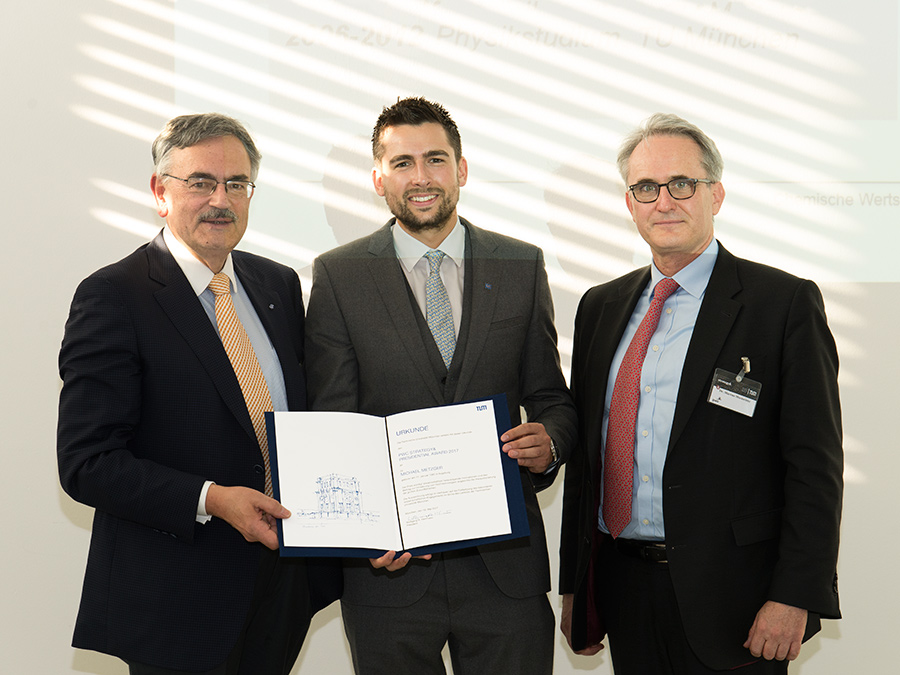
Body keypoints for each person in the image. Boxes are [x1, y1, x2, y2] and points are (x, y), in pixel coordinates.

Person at [559, 113, 843, 674]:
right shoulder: (600, 307)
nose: (664, 201)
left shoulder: (781, 304)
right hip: (623, 586)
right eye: (646, 188)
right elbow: (588, 464)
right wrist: (577, 586)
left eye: (681, 184)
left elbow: (814, 463)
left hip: (737, 600)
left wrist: (796, 594)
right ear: (629, 203)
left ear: (716, 194)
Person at [57, 113, 339, 675]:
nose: (220, 199)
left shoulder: (276, 283)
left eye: (237, 184)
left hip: (281, 586)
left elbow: (303, 419)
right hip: (177, 596)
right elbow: (87, 463)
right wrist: (213, 498)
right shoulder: (114, 294)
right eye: (201, 182)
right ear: (161, 192)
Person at [304, 97, 577, 675]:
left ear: (462, 169)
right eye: (402, 163)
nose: (421, 178)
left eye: (435, 159)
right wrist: (362, 534)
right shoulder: (338, 275)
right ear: (378, 178)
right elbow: (335, 424)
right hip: (390, 576)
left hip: (505, 569)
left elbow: (551, 395)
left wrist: (549, 441)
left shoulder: (520, 265)